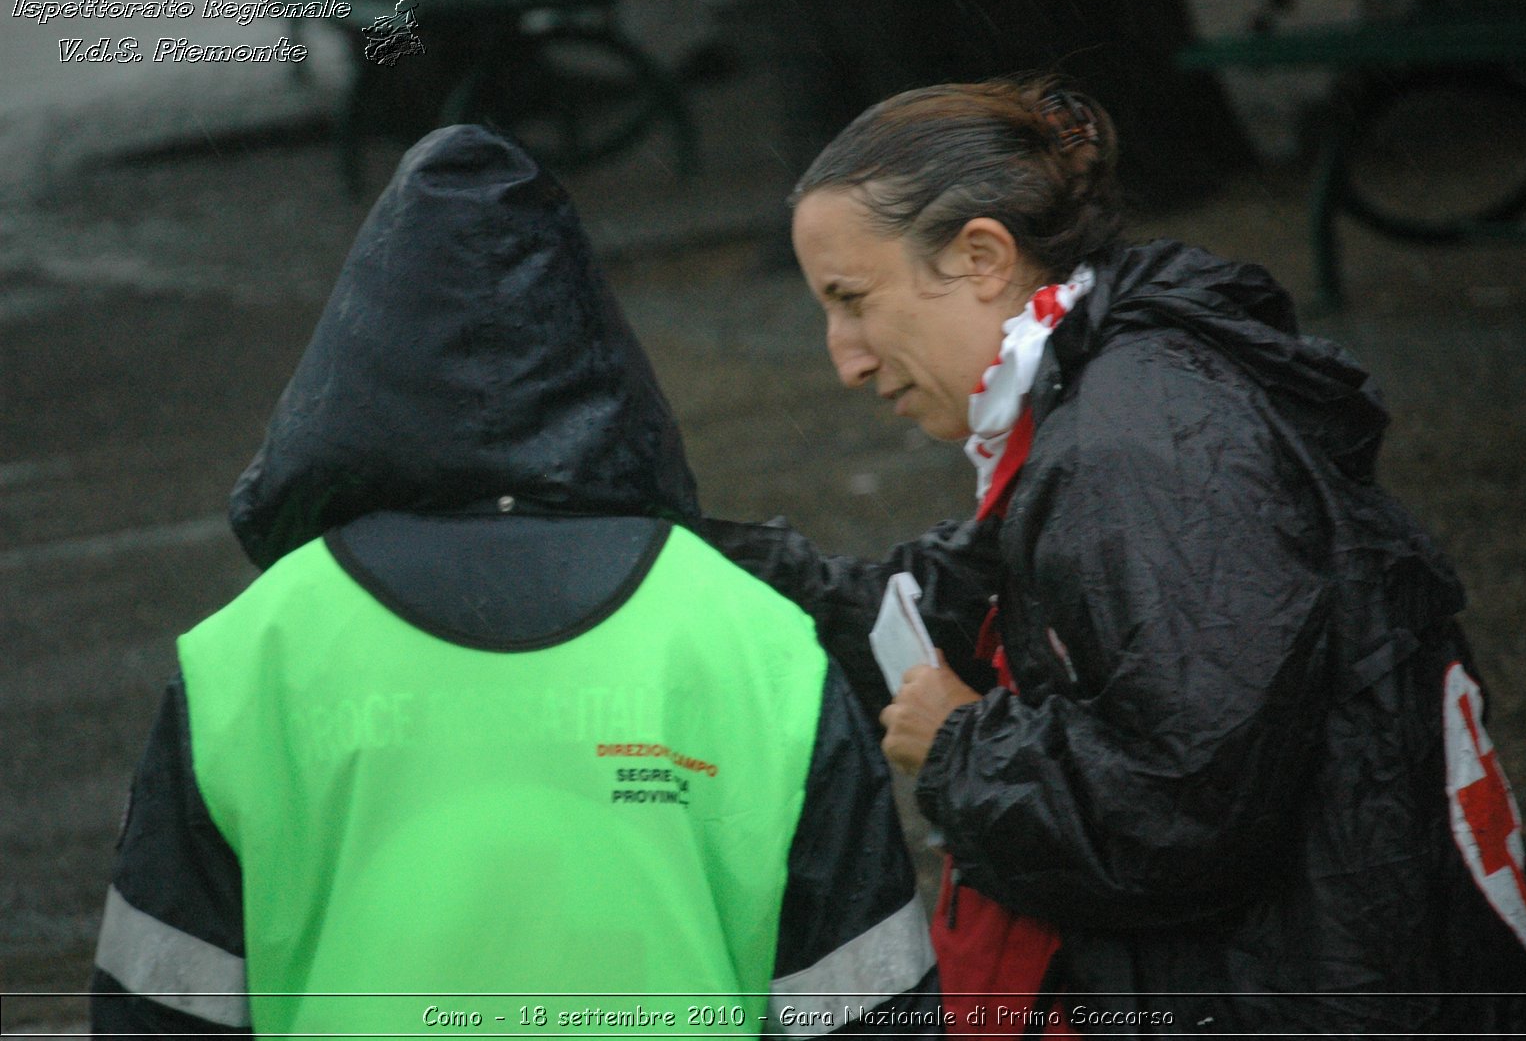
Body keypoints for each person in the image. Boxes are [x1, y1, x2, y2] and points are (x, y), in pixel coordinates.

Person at [699, 77, 1526, 1035]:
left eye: (853, 301)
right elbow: (949, 606)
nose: (846, 358)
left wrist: (960, 748)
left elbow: (1186, 814)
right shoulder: (1103, 391)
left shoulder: (1141, 445)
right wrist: (665, 545)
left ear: (982, 256)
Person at [88, 125, 938, 1037]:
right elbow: (865, 1004)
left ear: (354, 362)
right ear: (598, 359)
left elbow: (161, 1006)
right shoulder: (752, 640)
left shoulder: (252, 653)